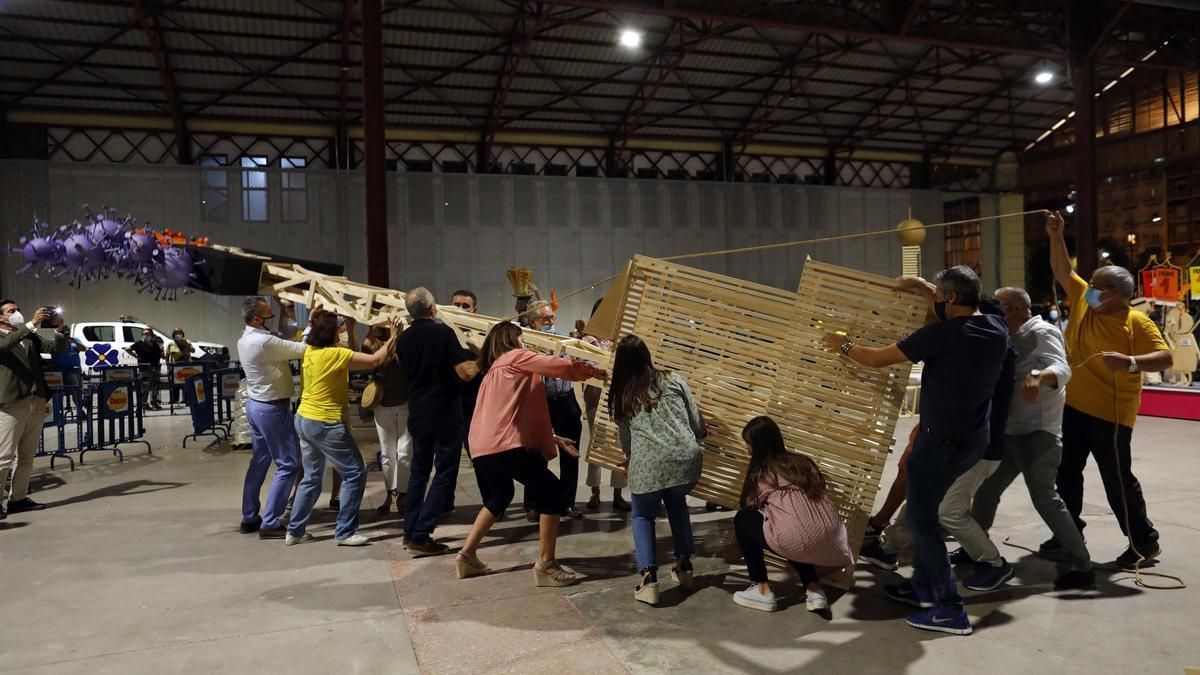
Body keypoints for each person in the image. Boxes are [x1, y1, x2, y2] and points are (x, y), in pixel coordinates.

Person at [821, 265, 1009, 636]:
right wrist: (923, 285)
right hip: (973, 440)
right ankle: (923, 584)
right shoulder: (995, 326)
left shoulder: (942, 335)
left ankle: (949, 609)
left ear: (951, 299)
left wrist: (841, 344)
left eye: (939, 295)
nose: (934, 301)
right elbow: (949, 302)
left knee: (923, 523)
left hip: (941, 444)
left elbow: (875, 357)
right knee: (927, 514)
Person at [1044, 211, 1173, 568]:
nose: (1090, 289)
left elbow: (1166, 357)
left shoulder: (1137, 323)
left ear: (1116, 295)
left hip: (1111, 414)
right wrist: (1057, 236)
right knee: (1065, 473)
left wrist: (1131, 362)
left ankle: (1143, 542)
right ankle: (1067, 533)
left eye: (1098, 286)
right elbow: (1062, 272)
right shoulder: (1086, 300)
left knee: (1117, 479)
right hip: (1074, 408)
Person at [454, 321, 600, 586]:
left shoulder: (493, 370)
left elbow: (511, 415)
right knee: (553, 491)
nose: (525, 344)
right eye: (522, 339)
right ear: (513, 339)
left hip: (482, 447)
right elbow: (561, 367)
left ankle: (467, 556)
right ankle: (546, 564)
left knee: (500, 495)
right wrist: (593, 370)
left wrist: (553, 438)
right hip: (504, 445)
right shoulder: (515, 358)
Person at [970, 287, 1096, 589]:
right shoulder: (1008, 334)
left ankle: (1083, 565)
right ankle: (975, 547)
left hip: (1038, 433)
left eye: (997, 305)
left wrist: (1040, 377)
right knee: (987, 491)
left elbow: (1062, 368)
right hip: (1011, 431)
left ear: (1011, 308)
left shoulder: (1042, 331)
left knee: (1045, 500)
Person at [286, 311, 400, 547]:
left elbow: (354, 351)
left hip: (304, 419)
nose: (343, 334)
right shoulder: (334, 354)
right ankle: (346, 531)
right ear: (331, 333)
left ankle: (295, 531)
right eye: (340, 330)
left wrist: (318, 316)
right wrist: (394, 334)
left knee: (311, 477)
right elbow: (375, 360)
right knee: (356, 472)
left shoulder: (310, 350)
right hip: (325, 423)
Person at [609, 334, 705, 605]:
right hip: (685, 460)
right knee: (677, 504)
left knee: (642, 516)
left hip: (648, 467)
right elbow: (696, 420)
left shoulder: (624, 394)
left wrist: (631, 458)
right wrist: (699, 435)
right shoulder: (673, 379)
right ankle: (684, 567)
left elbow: (626, 441)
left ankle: (649, 579)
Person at [731, 416, 852, 613]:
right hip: (835, 539)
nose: (748, 450)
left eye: (749, 445)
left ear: (757, 446)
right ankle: (814, 589)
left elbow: (749, 504)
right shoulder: (804, 462)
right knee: (794, 525)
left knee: (744, 519)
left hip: (799, 539)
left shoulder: (762, 472)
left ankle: (761, 589)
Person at [397, 288, 479, 556]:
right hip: (444, 414)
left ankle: (410, 533)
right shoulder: (443, 333)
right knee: (445, 473)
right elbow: (465, 374)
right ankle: (421, 534)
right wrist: (486, 358)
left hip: (418, 414)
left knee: (419, 473)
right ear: (433, 309)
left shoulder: (403, 339)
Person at [238, 296, 307, 538]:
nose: (270, 318)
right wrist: (312, 327)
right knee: (288, 464)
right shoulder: (264, 342)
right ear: (257, 319)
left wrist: (284, 309)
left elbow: (280, 335)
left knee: (259, 461)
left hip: (256, 406)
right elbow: (302, 349)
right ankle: (271, 522)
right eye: (267, 314)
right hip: (272, 409)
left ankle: (249, 517)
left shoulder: (248, 338)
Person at [522, 302, 586, 521]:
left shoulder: (563, 340)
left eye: (552, 318)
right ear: (533, 322)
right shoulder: (526, 343)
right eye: (545, 319)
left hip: (565, 401)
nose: (550, 323)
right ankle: (533, 504)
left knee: (571, 454)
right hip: (540, 403)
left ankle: (567, 502)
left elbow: (581, 361)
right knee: (535, 455)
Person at [0, 303, 62, 518]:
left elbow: (53, 349)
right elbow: (4, 347)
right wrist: (32, 324)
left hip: (36, 400)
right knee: (4, 456)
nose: (16, 312)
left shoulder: (26, 335)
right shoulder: (10, 335)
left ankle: (18, 498)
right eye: (10, 311)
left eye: (17, 308)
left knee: (27, 455)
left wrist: (60, 330)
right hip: (11, 402)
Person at [580, 297, 631, 512]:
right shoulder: (589, 339)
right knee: (597, 444)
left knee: (620, 444)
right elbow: (588, 365)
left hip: (619, 399)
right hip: (596, 398)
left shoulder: (620, 338)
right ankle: (595, 492)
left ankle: (618, 493)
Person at [362, 324, 411, 515]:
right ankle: (391, 494)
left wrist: (395, 334)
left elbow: (403, 363)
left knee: (405, 452)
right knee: (387, 453)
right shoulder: (374, 341)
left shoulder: (404, 339)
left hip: (404, 402)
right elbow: (367, 355)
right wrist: (371, 327)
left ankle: (403, 494)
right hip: (383, 404)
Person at [451, 289, 491, 515]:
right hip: (451, 405)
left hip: (477, 405)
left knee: (481, 457)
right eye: (456, 304)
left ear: (474, 309)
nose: (460, 309)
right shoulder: (446, 334)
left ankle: (492, 503)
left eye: (465, 306)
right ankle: (445, 504)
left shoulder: (483, 335)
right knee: (448, 460)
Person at [126, 327, 164, 410]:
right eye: (144, 334)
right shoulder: (139, 344)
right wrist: (135, 356)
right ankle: (144, 404)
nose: (146, 335)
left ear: (152, 335)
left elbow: (159, 353)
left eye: (148, 334)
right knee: (145, 387)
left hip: (155, 368)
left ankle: (154, 403)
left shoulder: (155, 344)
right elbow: (128, 349)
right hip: (144, 369)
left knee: (155, 386)